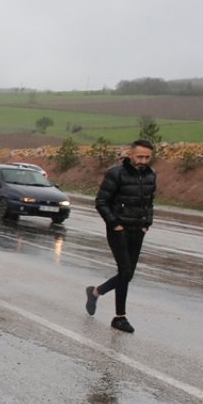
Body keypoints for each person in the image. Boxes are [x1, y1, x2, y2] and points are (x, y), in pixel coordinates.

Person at [85, 139, 156, 333]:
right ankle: (120, 317)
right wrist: (115, 224)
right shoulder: (116, 173)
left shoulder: (151, 175)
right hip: (119, 231)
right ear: (130, 154)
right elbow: (101, 202)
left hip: (138, 230)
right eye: (140, 156)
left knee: (127, 274)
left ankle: (95, 292)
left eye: (147, 157)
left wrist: (146, 224)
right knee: (125, 272)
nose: (143, 160)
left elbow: (149, 202)